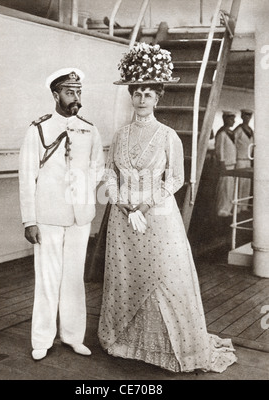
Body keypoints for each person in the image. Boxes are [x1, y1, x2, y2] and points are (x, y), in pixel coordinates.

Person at [98, 43, 237, 373]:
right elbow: (109, 172)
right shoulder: (119, 136)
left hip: (157, 216)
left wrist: (143, 205)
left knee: (164, 277)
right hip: (122, 217)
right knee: (126, 277)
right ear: (131, 96)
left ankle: (172, 348)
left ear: (158, 98)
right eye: (137, 93)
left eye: (148, 94)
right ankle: (126, 342)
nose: (142, 99)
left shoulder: (168, 136)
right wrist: (122, 202)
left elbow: (176, 178)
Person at [19, 68, 105, 361]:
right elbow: (27, 176)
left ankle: (72, 336)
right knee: (47, 279)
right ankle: (42, 339)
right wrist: (29, 220)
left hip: (79, 217)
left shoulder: (90, 129)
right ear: (56, 95)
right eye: (70, 92)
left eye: (78, 92)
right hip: (48, 217)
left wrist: (82, 196)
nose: (76, 98)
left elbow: (97, 169)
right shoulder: (38, 129)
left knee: (73, 278)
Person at [214, 111, 237, 217]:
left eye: (233, 119)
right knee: (224, 188)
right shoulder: (222, 133)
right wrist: (222, 163)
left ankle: (227, 208)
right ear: (225, 119)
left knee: (229, 188)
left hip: (231, 164)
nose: (233, 121)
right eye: (231, 119)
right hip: (225, 165)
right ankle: (222, 209)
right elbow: (219, 150)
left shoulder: (230, 132)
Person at [234, 109, 254, 212]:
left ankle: (244, 206)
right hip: (240, 159)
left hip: (248, 160)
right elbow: (233, 144)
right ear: (242, 117)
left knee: (247, 184)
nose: (247, 118)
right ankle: (237, 206)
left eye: (249, 116)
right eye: (245, 116)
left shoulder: (251, 130)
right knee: (239, 183)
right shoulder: (238, 130)